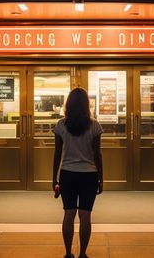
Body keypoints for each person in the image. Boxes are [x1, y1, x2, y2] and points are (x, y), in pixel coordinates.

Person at [52, 87, 103, 258]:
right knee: (85, 214)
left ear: (68, 104)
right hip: (89, 174)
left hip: (67, 173)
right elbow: (97, 154)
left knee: (69, 213)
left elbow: (57, 153)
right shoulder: (95, 125)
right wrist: (101, 178)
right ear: (86, 105)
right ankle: (82, 254)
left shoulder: (61, 125)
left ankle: (68, 253)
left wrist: (54, 178)